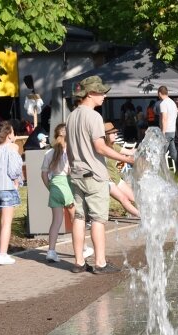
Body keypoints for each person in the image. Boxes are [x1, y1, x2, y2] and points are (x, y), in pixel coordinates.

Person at [65, 75, 134, 274]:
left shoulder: (71, 117)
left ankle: (78, 262)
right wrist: (127, 159)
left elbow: (69, 149)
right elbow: (100, 148)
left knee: (78, 217)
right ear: (90, 93)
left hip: (76, 174)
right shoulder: (94, 117)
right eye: (101, 92)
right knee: (97, 219)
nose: (104, 96)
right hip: (94, 175)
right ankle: (100, 263)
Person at [41, 123, 90, 263]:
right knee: (76, 219)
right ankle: (83, 248)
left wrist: (50, 188)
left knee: (56, 222)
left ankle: (51, 251)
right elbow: (70, 171)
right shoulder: (69, 153)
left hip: (54, 185)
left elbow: (44, 175)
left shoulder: (48, 153)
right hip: (67, 185)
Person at [0, 121, 23, 265]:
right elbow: (14, 169)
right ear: (8, 135)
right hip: (7, 187)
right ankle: (2, 254)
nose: (14, 135)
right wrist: (16, 179)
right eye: (13, 132)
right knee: (7, 223)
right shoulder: (12, 147)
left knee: (2, 221)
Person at [103, 121, 140, 217]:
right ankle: (142, 217)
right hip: (108, 180)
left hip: (117, 178)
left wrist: (142, 148)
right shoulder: (102, 148)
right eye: (113, 133)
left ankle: (149, 215)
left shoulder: (114, 146)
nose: (116, 134)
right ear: (106, 135)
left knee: (134, 198)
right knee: (123, 198)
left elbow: (130, 152)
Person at [157, 86, 178, 163]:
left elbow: (164, 118)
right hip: (173, 130)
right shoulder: (172, 102)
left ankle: (161, 170)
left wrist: (163, 132)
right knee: (173, 151)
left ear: (159, 93)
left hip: (167, 130)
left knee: (161, 152)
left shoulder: (163, 103)